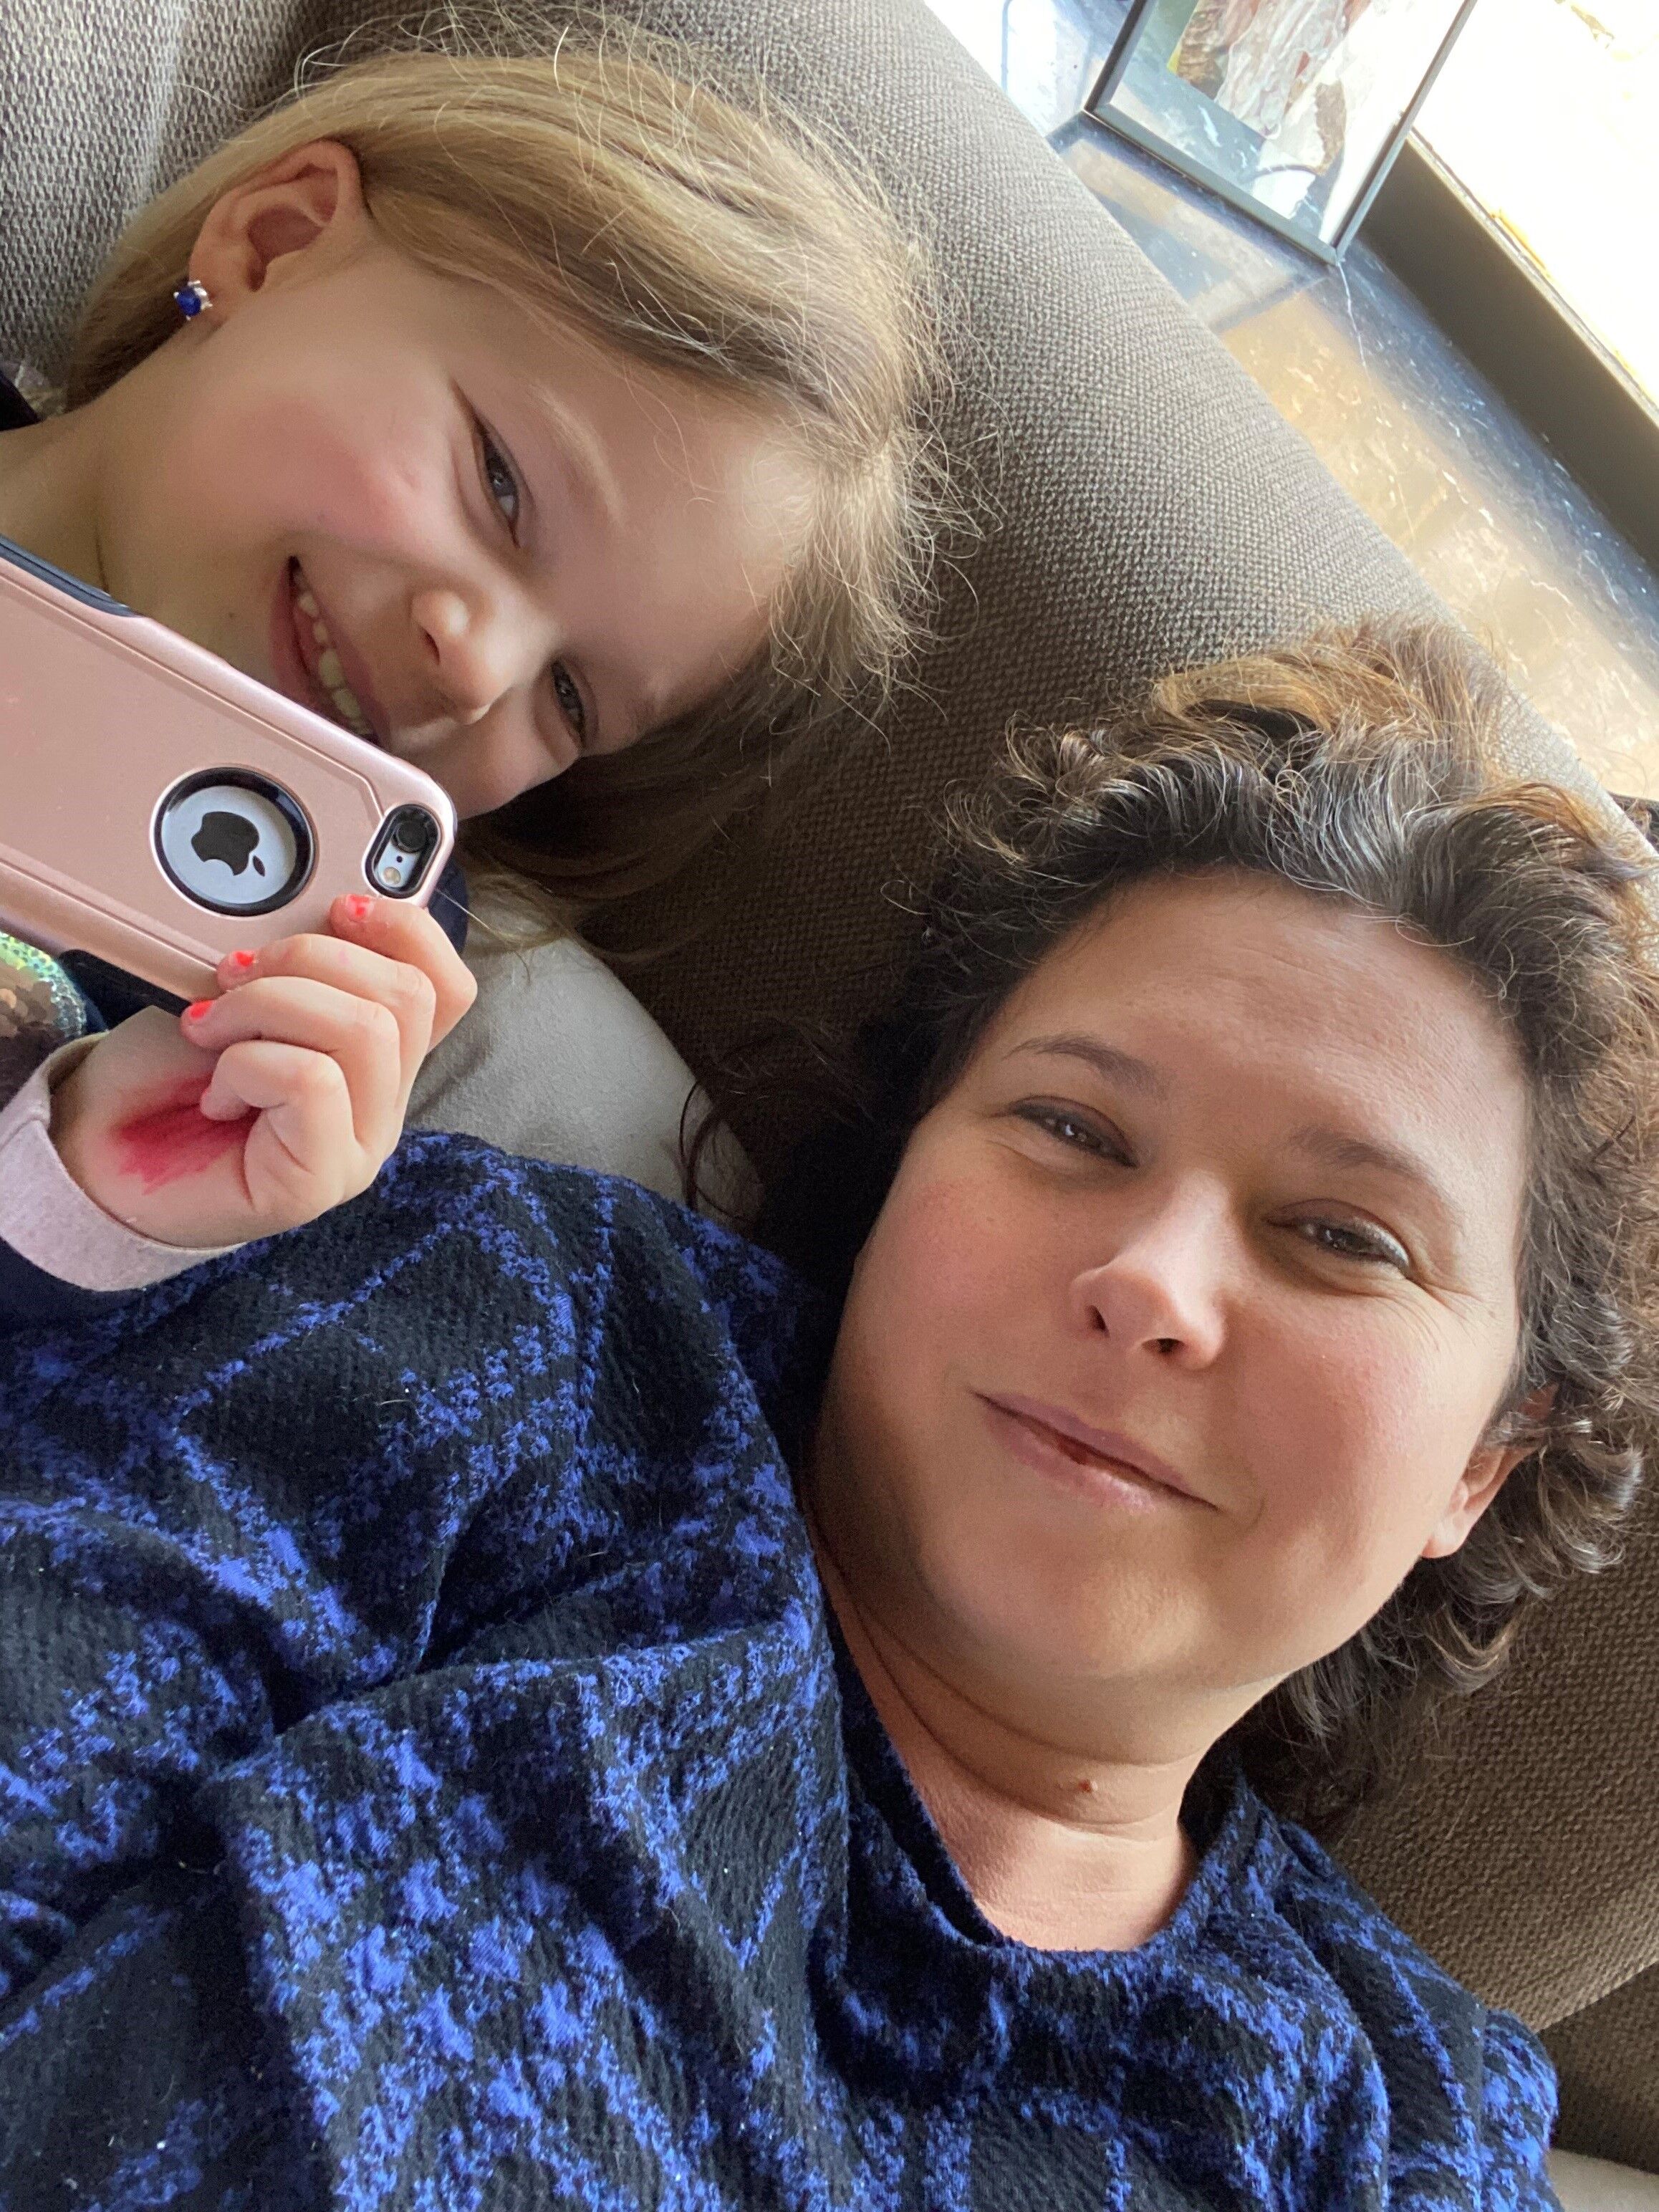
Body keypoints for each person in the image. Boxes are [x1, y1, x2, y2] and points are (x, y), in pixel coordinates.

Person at [4, 622, 1652, 2208]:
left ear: (1484, 1461)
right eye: (1074, 1127)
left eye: (1344, 1236)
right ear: (912, 1157)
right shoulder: (536, 1335)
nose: (1153, 1280)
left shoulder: (1405, 2130)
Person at [0, 13, 944, 1302]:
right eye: (499, 484)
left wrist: (89, 1205)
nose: (476, 670)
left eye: (570, 697)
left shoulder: (294, 998)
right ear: (273, 241)